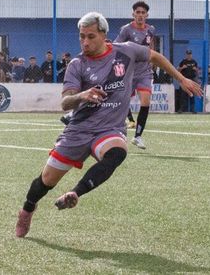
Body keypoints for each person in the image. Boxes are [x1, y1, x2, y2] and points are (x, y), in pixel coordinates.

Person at [15, 12, 202, 238]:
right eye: (81, 37)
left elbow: (155, 57)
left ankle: (75, 193)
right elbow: (65, 102)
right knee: (46, 181)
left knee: (117, 152)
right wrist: (83, 95)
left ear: (104, 35)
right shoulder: (77, 65)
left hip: (108, 130)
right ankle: (27, 209)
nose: (85, 42)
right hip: (79, 130)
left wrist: (181, 79)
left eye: (90, 36)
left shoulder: (126, 51)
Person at [114, 1, 157, 148]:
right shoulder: (126, 30)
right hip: (129, 72)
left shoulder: (151, 30)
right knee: (119, 100)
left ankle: (138, 136)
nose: (140, 15)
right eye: (137, 12)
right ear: (133, 14)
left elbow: (151, 47)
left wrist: (153, 62)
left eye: (143, 13)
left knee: (145, 102)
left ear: (147, 15)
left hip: (144, 72)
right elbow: (116, 46)